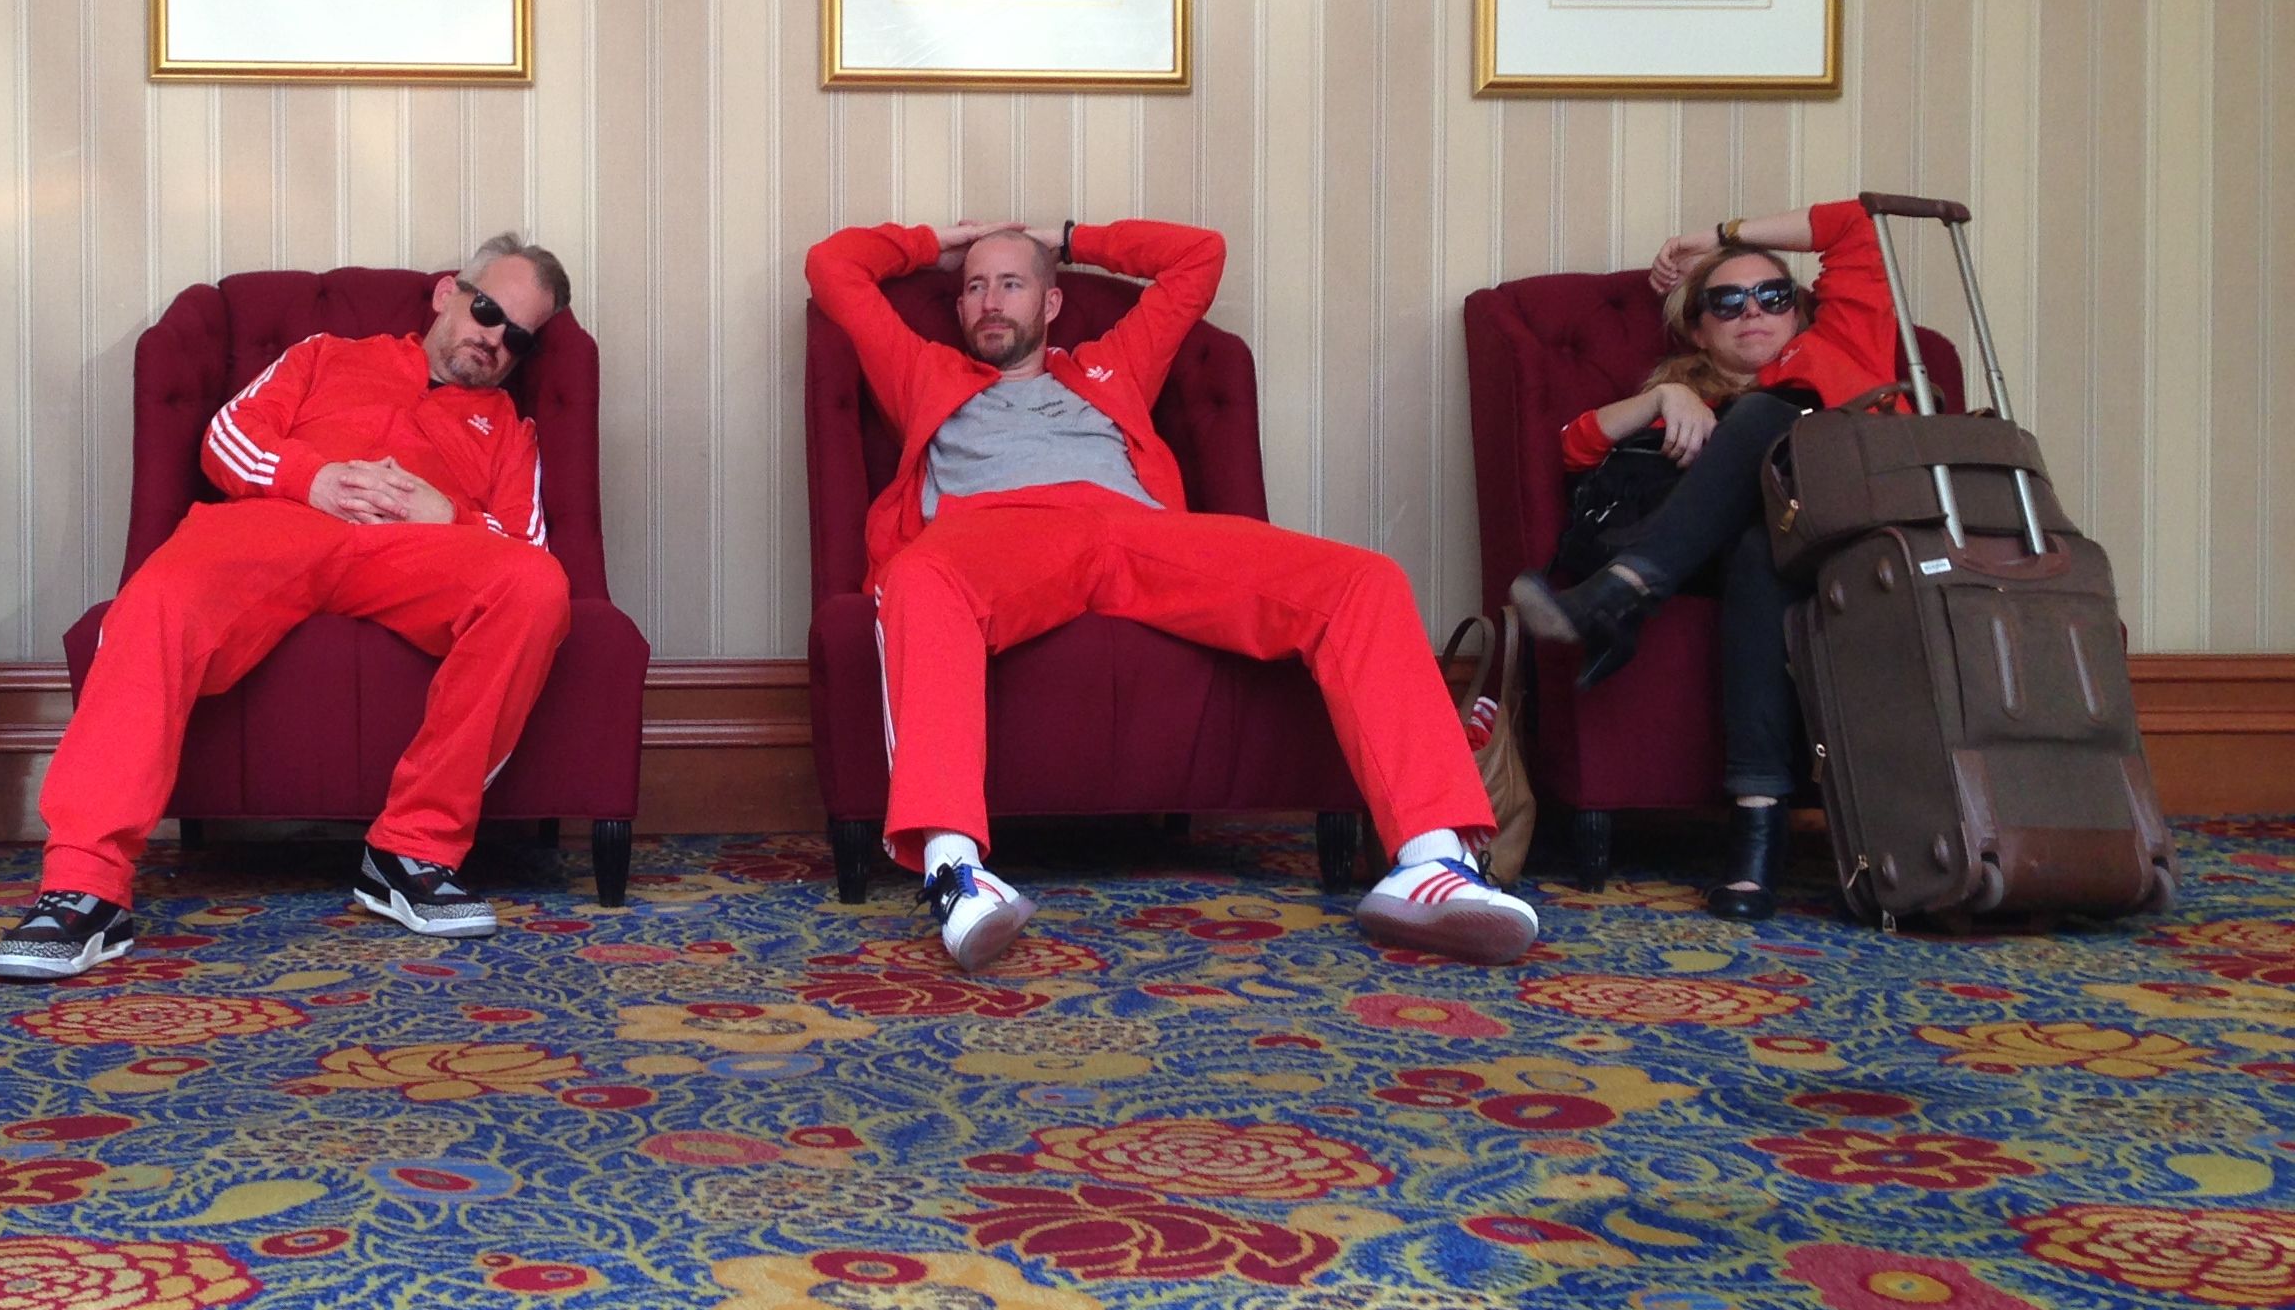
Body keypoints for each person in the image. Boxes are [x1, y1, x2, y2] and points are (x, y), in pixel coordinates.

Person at [805, 217, 1537, 971]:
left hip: (1139, 536)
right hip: (998, 536)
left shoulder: (1111, 367)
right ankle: (957, 873)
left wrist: (1068, 236)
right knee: (918, 578)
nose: (989, 301)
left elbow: (1200, 256)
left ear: (1052, 303)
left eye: (1012, 283)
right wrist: (941, 244)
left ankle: (1432, 862)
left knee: (1362, 579)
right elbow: (831, 266)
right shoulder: (924, 371)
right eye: (973, 289)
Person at [0, 235, 574, 977]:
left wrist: (448, 516)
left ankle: (412, 852)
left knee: (534, 590)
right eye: (487, 311)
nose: (494, 340)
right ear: (446, 293)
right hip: (280, 523)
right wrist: (315, 476)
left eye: (518, 337)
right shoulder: (325, 354)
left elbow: (529, 546)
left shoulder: (505, 430)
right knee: (159, 599)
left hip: (413, 553)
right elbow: (227, 438)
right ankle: (83, 886)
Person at [1510, 200, 1904, 920]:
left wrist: (1715, 239)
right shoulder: (1691, 401)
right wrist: (1665, 394)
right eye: (1726, 301)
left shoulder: (1849, 347)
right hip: (1763, 566)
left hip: (1868, 548)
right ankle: (1756, 844)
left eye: (1773, 296)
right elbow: (1571, 445)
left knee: (1763, 417)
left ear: (1802, 310)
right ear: (1699, 329)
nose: (1752, 311)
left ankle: (1623, 591)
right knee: (1757, 552)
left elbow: (1853, 224)